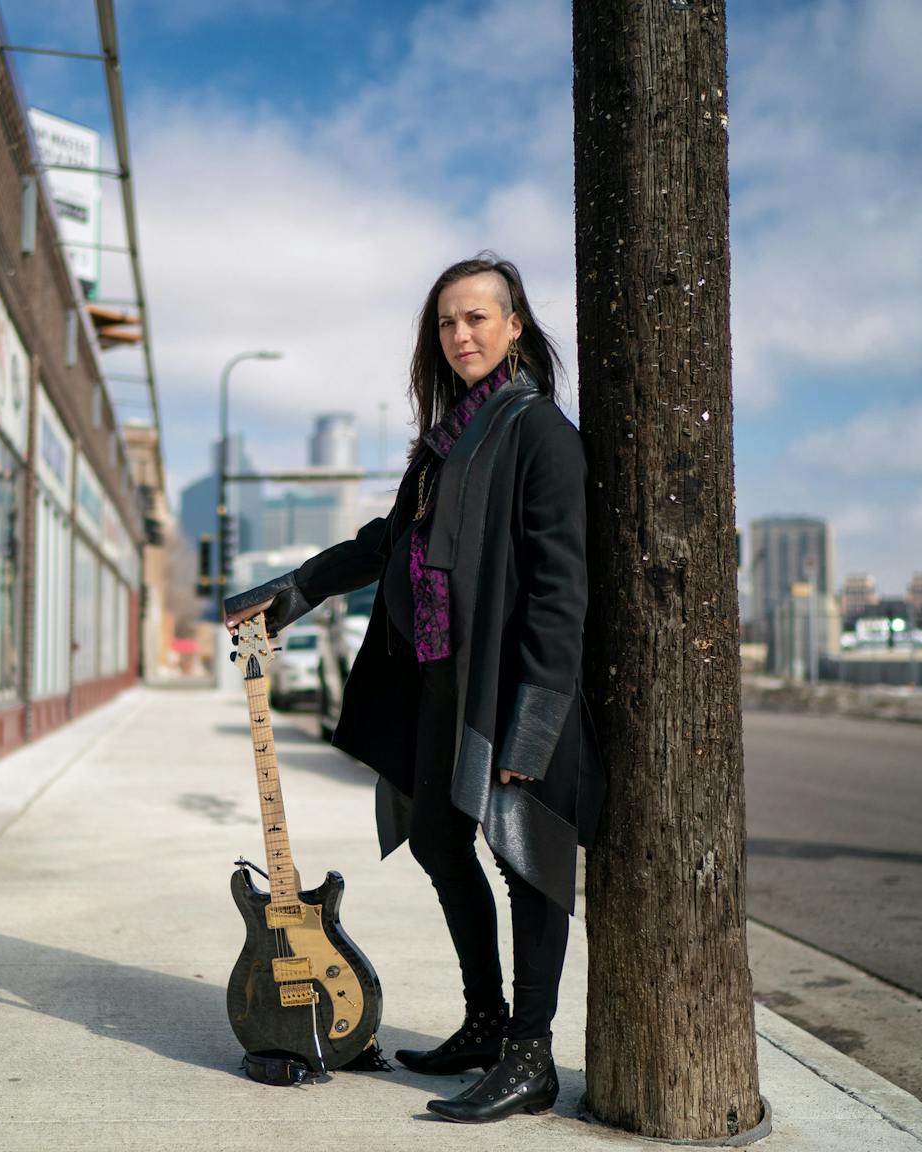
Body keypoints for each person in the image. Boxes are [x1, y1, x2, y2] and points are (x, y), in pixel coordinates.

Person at [224, 254, 603, 1124]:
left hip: (510, 690)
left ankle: (531, 1057)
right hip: (440, 682)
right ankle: (485, 1022)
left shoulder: (538, 432)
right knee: (438, 837)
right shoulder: (444, 443)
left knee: (527, 858)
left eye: (478, 318)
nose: (461, 334)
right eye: (447, 322)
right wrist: (294, 592)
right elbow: (385, 541)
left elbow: (561, 588)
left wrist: (534, 724)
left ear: (514, 327)